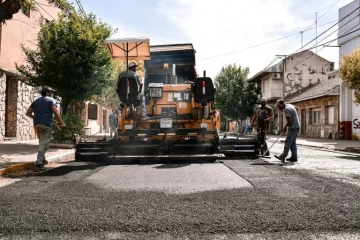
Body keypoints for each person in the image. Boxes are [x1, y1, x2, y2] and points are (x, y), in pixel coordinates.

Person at [26, 86, 66, 171]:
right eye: (51, 92)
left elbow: (28, 112)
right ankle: (38, 163)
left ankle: (43, 159)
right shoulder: (51, 100)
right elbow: (55, 111)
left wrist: (35, 118)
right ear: (47, 92)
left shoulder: (36, 101)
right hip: (46, 125)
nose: (52, 94)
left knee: (42, 143)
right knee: (44, 144)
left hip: (37, 125)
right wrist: (61, 123)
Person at [274, 99, 300, 164]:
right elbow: (297, 108)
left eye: (279, 106)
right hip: (296, 126)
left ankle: (283, 156)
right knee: (292, 143)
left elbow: (290, 121)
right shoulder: (290, 105)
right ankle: (294, 157)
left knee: (287, 141)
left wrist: (285, 128)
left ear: (282, 104)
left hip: (293, 127)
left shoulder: (286, 109)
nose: (279, 108)